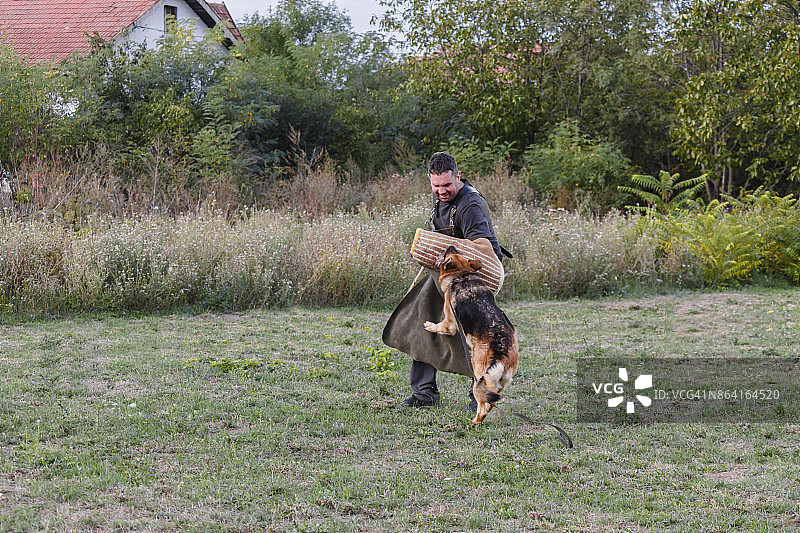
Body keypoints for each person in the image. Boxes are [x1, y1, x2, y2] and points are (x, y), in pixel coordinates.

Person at [382, 151, 508, 410]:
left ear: (458, 177)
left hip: (473, 278)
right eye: (436, 185)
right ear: (430, 179)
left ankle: (480, 399)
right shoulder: (440, 195)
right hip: (445, 274)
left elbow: (480, 250)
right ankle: (424, 395)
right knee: (422, 324)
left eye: (447, 185)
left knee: (472, 338)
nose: (442, 191)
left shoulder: (470, 205)